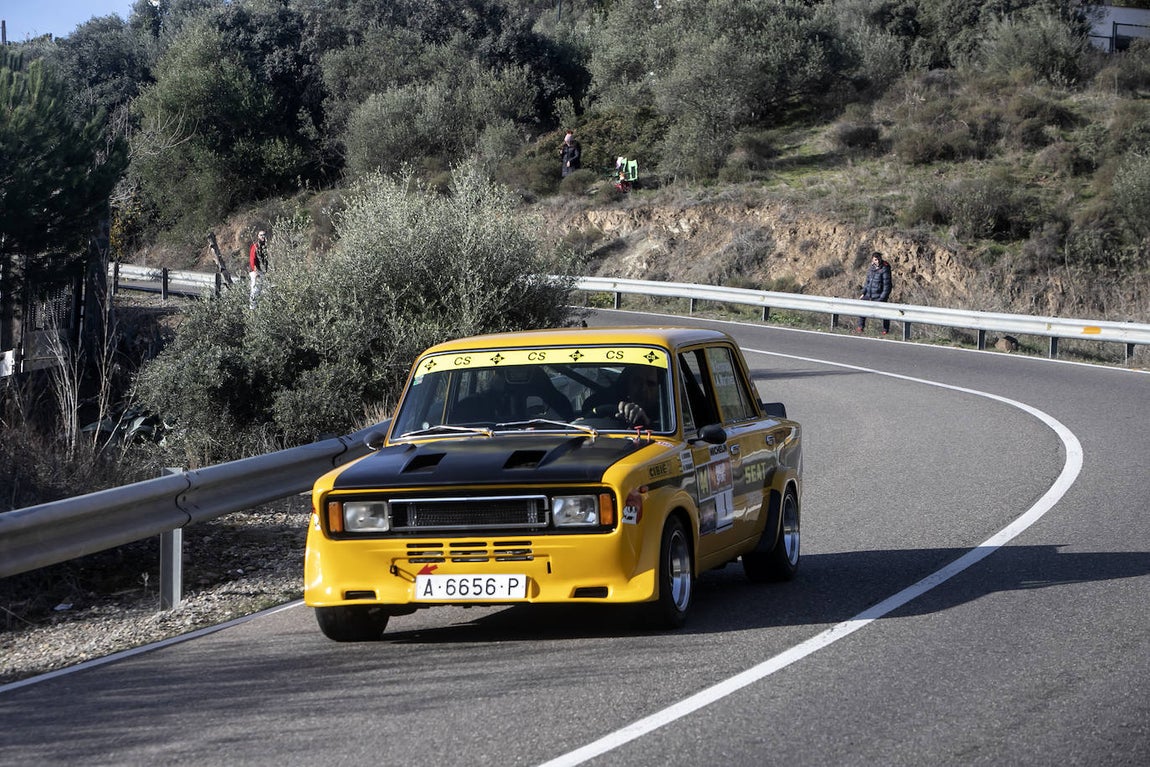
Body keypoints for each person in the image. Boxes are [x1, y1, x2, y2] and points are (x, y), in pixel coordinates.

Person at [857, 250, 892, 334]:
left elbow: (887, 285)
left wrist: (882, 297)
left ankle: (885, 330)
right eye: (876, 259)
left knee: (885, 313)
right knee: (862, 308)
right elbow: (867, 282)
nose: (878, 261)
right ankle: (860, 327)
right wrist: (863, 293)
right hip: (869, 294)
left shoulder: (885, 268)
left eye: (879, 259)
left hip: (879, 295)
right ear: (872, 260)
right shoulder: (871, 268)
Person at [249, 230, 268, 307]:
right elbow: (252, 259)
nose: (263, 236)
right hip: (256, 271)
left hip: (262, 271)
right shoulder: (256, 246)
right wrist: (255, 271)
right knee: (255, 290)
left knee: (260, 290)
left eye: (264, 235)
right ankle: (252, 309)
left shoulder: (264, 247)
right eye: (261, 235)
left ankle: (258, 308)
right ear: (258, 236)